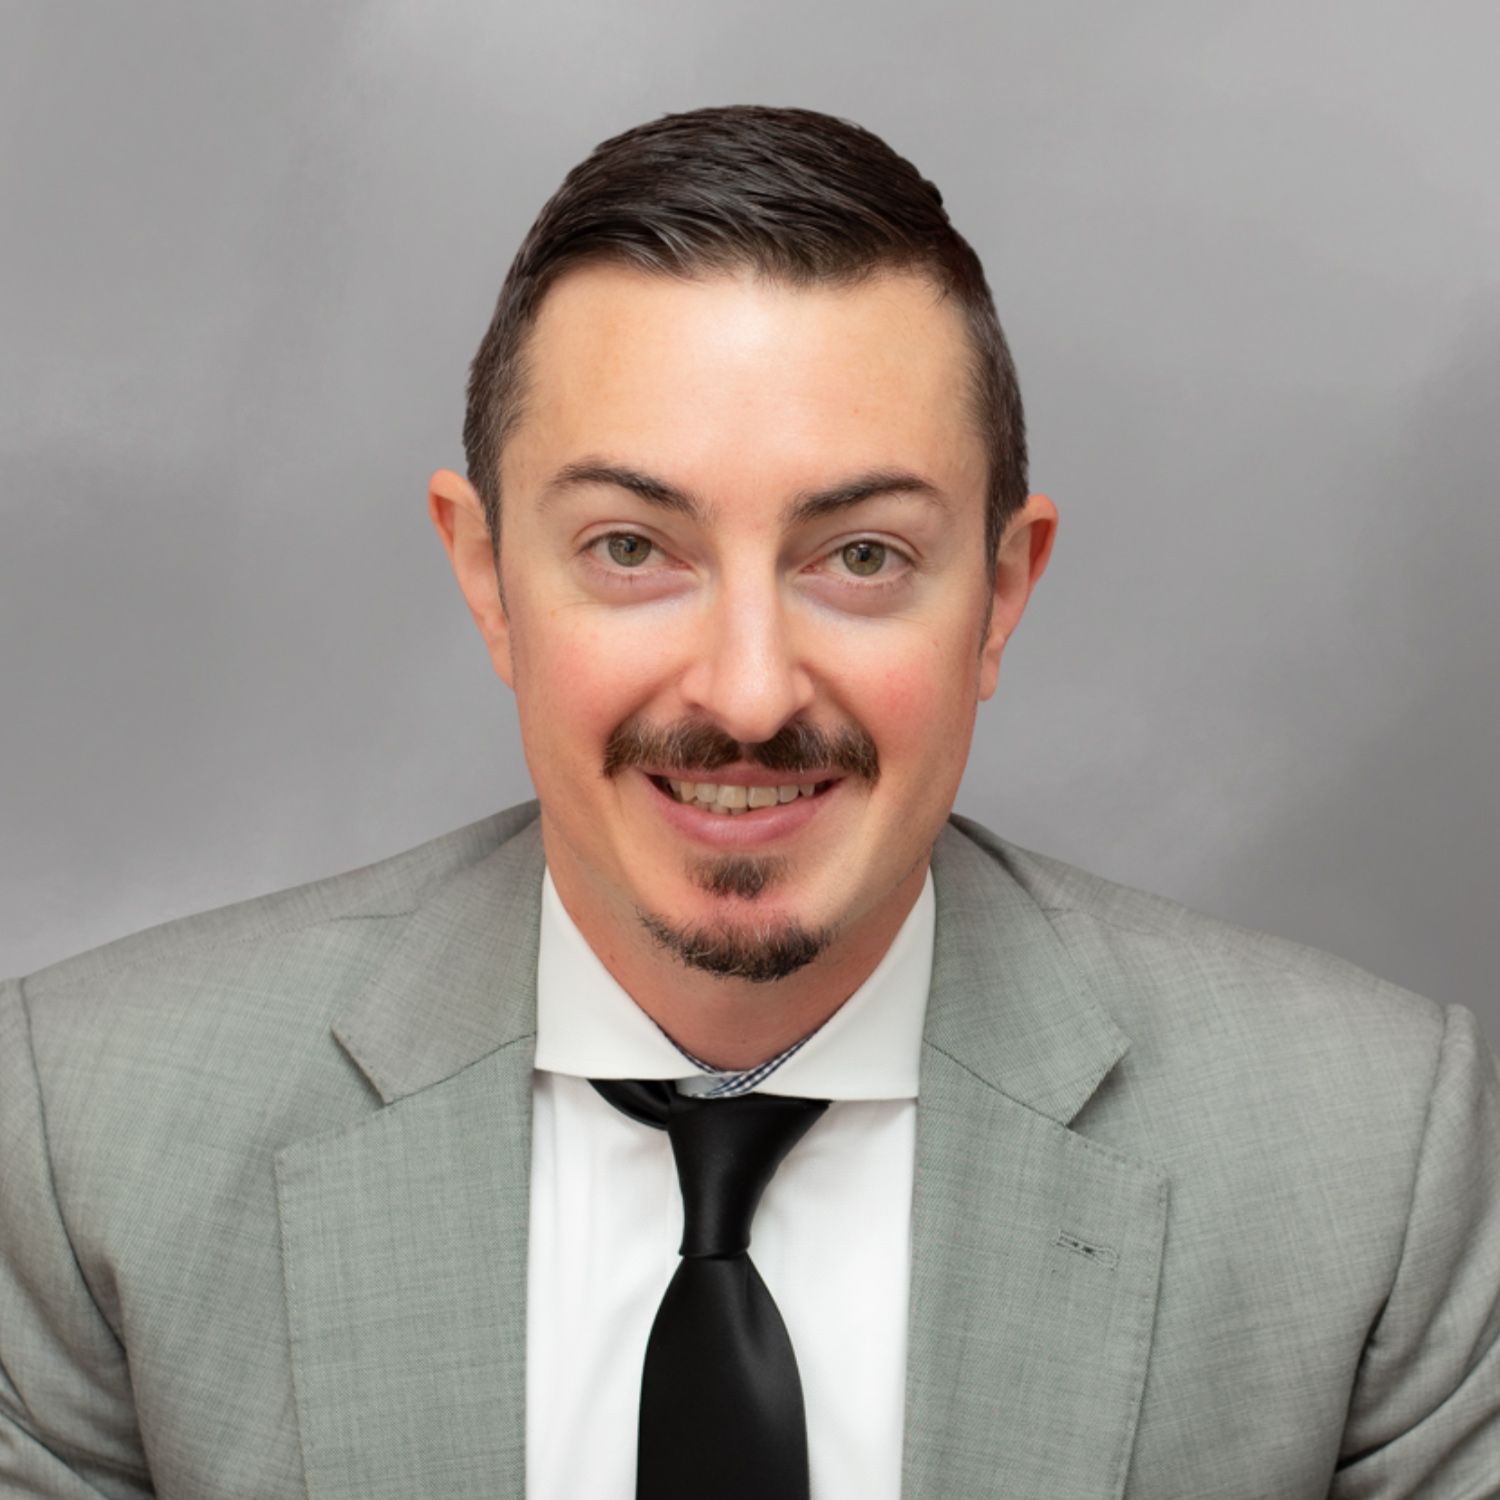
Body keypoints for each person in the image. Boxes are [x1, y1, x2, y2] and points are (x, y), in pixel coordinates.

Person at [2, 104, 1496, 1500]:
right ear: (486, 578)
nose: (747, 691)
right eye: (632, 548)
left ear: (1001, 595)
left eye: (860, 557)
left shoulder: (1369, 1164)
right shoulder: (93, 1142)